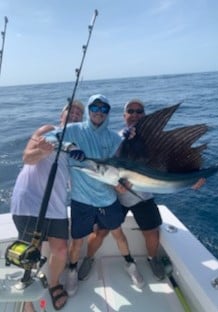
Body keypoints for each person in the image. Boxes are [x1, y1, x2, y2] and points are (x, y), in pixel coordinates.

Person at [77, 98, 206, 282]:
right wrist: (116, 185)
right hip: (116, 198)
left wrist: (192, 181)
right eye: (131, 111)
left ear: (144, 115)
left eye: (139, 111)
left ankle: (152, 259)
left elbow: (171, 171)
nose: (135, 115)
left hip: (143, 196)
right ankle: (88, 259)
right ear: (124, 116)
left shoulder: (150, 141)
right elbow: (107, 171)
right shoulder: (115, 139)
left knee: (152, 231)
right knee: (100, 232)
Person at [55, 94, 144, 296]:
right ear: (88, 109)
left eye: (104, 109)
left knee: (119, 235)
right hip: (81, 199)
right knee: (77, 241)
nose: (99, 112)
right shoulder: (74, 130)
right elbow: (52, 138)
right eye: (95, 107)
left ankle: (130, 265)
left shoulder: (114, 138)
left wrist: (122, 183)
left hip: (107, 198)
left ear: (108, 113)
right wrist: (70, 146)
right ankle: (71, 271)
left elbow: (122, 162)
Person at [10, 100, 84, 312]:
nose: (76, 114)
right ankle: (27, 301)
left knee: (60, 250)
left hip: (56, 205)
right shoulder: (48, 130)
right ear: (62, 116)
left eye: (80, 113)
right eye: (72, 110)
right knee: (29, 252)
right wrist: (42, 151)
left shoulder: (78, 143)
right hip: (29, 202)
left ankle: (54, 284)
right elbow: (27, 158)